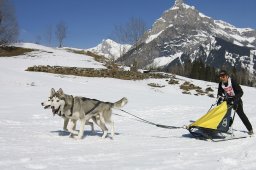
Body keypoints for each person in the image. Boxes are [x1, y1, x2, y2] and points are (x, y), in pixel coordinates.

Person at [217, 70, 253, 135]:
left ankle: (250, 129)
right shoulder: (221, 84)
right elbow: (219, 92)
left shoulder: (233, 82)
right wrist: (220, 97)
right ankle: (223, 126)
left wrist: (235, 99)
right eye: (220, 77)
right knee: (222, 112)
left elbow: (241, 92)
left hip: (236, 100)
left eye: (223, 76)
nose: (222, 78)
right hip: (228, 100)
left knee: (241, 114)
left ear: (227, 76)